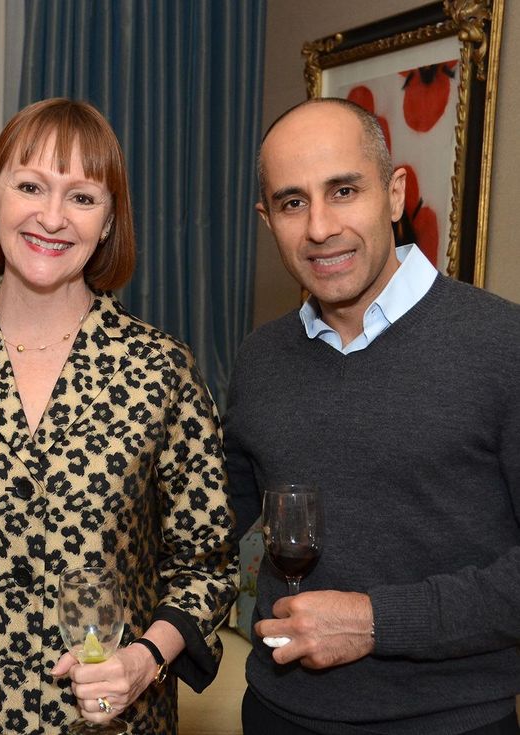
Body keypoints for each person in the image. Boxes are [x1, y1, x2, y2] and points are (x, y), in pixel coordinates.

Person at [0, 98, 238, 734]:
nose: (52, 217)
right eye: (31, 186)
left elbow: (207, 563)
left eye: (82, 197)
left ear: (109, 221)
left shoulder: (161, 370)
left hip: (111, 722)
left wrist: (145, 660)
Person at [224, 98, 520, 734]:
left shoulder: (504, 346)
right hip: (276, 714)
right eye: (292, 202)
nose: (320, 227)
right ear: (267, 220)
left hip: (450, 723)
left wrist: (375, 621)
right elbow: (206, 528)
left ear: (394, 194)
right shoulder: (260, 358)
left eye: (344, 190)